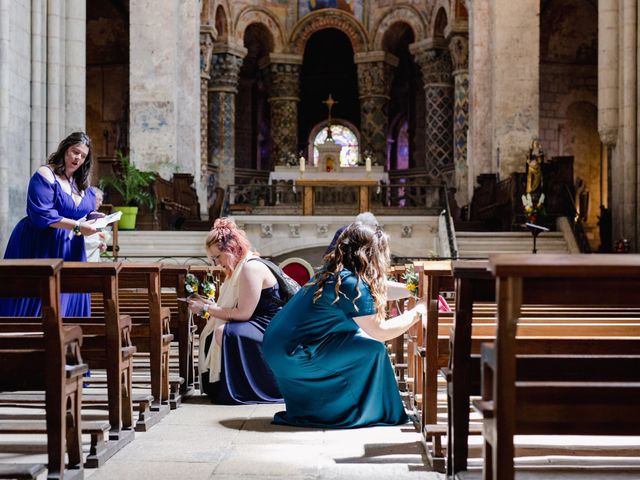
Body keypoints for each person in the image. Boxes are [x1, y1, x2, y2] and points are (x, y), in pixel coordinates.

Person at [263, 222, 427, 428]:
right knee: (373, 349)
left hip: (279, 346)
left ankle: (349, 405)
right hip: (294, 353)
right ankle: (364, 411)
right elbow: (380, 332)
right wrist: (418, 312)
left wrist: (412, 290)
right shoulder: (349, 282)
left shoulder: (337, 272)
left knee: (364, 344)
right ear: (370, 253)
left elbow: (378, 288)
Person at [0, 132, 100, 317]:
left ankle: (66, 341)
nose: (78, 158)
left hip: (71, 245)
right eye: (74, 152)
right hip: (40, 241)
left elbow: (82, 210)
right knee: (38, 297)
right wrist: (78, 227)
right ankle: (25, 340)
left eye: (83, 155)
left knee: (68, 294)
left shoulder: (81, 183)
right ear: (65, 150)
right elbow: (43, 213)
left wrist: (94, 216)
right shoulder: (46, 174)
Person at [187, 217, 283, 404]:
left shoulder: (250, 267)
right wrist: (209, 305)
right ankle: (224, 387)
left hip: (269, 325)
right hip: (257, 320)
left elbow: (243, 314)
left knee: (223, 332)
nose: (216, 263)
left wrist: (207, 308)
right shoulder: (239, 267)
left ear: (230, 250)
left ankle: (242, 390)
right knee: (213, 332)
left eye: (217, 257)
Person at [84, 187, 111, 262]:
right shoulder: (82, 214)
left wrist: (101, 242)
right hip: (84, 258)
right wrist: (97, 244)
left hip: (94, 257)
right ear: (91, 198)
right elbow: (76, 233)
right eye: (99, 199)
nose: (101, 203)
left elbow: (94, 234)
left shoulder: (96, 216)